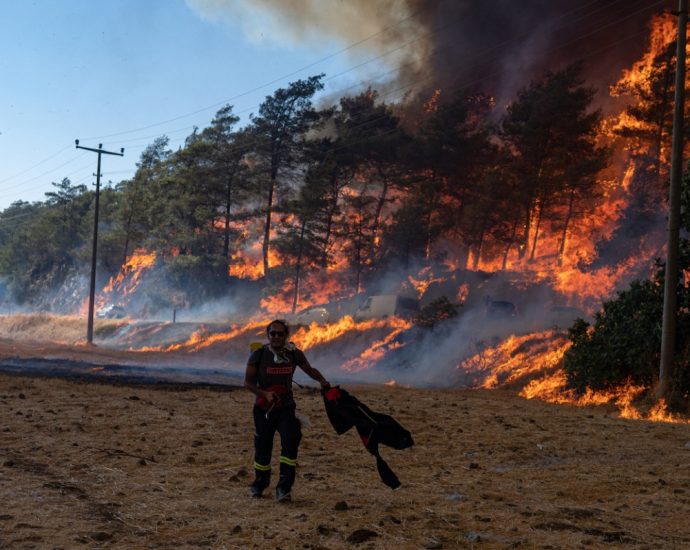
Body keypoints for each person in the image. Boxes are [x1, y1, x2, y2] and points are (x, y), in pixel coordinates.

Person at [244, 319, 331, 502]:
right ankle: (259, 484)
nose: (276, 337)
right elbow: (248, 383)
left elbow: (309, 369)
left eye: (280, 334)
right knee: (263, 447)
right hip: (263, 409)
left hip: (286, 408)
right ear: (268, 336)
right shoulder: (258, 355)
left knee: (290, 445)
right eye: (272, 333)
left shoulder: (294, 354)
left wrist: (322, 381)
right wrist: (264, 394)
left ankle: (283, 488)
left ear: (286, 336)